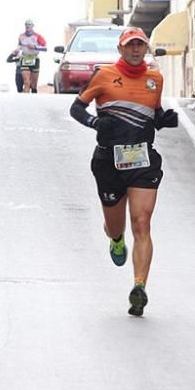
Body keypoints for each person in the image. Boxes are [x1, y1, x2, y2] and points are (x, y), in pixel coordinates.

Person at [70, 28, 178, 317]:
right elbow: (76, 108)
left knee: (141, 223)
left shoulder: (155, 78)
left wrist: (163, 120)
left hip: (143, 159)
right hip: (109, 161)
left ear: (146, 49)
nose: (135, 50)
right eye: (129, 46)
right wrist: (94, 123)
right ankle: (116, 239)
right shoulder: (104, 75)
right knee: (117, 226)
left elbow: (152, 115)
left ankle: (139, 287)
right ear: (120, 50)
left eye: (140, 46)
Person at [13, 19, 47, 93]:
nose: (27, 26)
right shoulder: (21, 36)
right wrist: (16, 50)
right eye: (26, 25)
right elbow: (19, 45)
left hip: (34, 58)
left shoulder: (38, 36)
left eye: (29, 25)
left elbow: (45, 48)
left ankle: (34, 93)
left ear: (32, 26)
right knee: (26, 82)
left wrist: (35, 47)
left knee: (34, 84)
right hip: (25, 58)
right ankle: (26, 101)